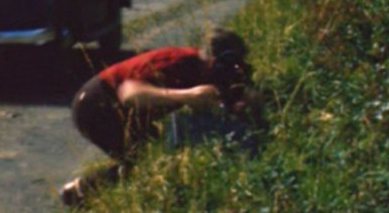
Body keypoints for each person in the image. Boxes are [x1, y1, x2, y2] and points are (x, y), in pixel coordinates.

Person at [60, 27, 262, 207]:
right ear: (212, 60)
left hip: (121, 108)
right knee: (144, 163)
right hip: (96, 105)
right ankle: (81, 191)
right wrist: (188, 95)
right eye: (226, 65)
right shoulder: (179, 62)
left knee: (150, 159)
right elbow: (129, 93)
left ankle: (80, 191)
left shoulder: (207, 73)